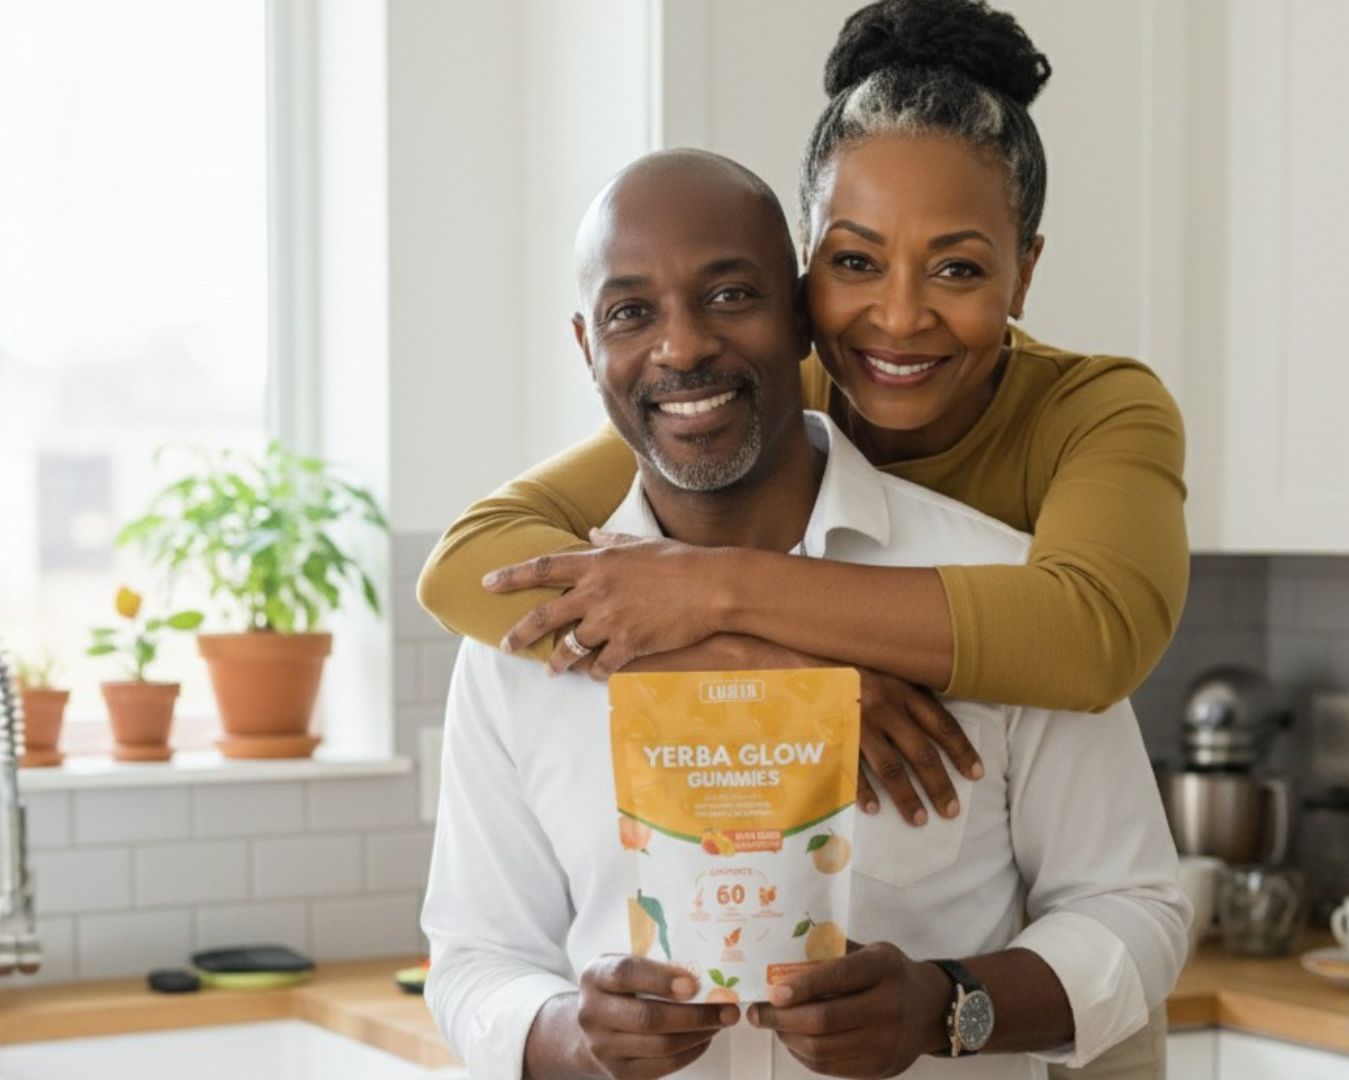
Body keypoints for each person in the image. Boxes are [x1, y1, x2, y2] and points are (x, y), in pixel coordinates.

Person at [421, 149, 1187, 1080]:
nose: (682, 346)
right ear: (589, 348)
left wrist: (945, 1006)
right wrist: (567, 1039)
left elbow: (1136, 909)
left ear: (801, 320)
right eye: (631, 313)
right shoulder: (533, 622)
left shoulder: (1000, 587)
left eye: (729, 295)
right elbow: (474, 960)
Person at [415, 0, 1190, 830]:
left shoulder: (1097, 411)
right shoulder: (774, 387)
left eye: (957, 270)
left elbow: (1091, 634)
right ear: (803, 262)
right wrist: (776, 675)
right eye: (855, 261)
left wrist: (715, 589)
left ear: (1024, 273)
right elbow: (468, 564)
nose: (898, 318)